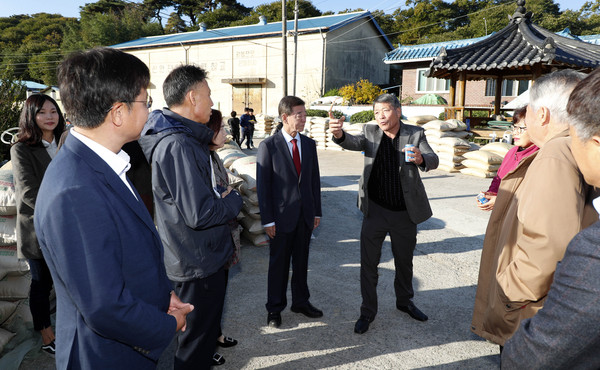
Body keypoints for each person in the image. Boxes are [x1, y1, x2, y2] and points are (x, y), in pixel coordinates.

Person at [33, 47, 193, 369]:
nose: (150, 111)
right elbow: (105, 307)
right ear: (118, 112)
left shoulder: (101, 164)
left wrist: (163, 298)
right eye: (145, 102)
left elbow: (126, 260)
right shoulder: (76, 191)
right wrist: (168, 324)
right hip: (104, 355)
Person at [470, 69, 598, 349]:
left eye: (527, 110)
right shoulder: (573, 147)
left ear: (541, 114)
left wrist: (510, 292)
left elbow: (549, 241)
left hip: (529, 308)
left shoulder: (554, 153)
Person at [138, 65, 243, 370]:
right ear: (192, 97)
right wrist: (234, 198)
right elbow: (200, 213)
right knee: (195, 344)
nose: (211, 104)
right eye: (208, 96)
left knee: (202, 336)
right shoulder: (178, 144)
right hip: (196, 261)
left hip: (199, 255)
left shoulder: (185, 140)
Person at [329, 93, 439, 334]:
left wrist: (421, 159)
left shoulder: (415, 134)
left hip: (404, 213)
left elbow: (433, 159)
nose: (380, 116)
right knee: (368, 264)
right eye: (377, 112)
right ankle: (367, 311)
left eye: (385, 111)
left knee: (404, 261)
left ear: (398, 112)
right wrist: (339, 134)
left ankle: (405, 301)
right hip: (375, 211)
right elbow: (353, 142)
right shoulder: (370, 132)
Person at [256, 96, 323, 329]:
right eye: (299, 115)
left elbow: (314, 181)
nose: (304, 119)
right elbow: (263, 188)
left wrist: (317, 212)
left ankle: (301, 302)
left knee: (302, 262)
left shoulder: (308, 144)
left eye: (305, 114)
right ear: (285, 117)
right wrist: (268, 220)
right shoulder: (268, 146)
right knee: (279, 266)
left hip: (305, 216)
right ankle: (274, 309)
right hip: (281, 218)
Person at [11, 94, 65, 356]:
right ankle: (46, 336)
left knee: (68, 282)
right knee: (41, 283)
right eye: (42, 112)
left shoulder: (66, 143)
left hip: (69, 227)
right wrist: (64, 209)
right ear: (31, 116)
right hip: (38, 227)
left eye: (53, 111)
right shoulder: (21, 149)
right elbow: (28, 193)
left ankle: (68, 328)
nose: (50, 116)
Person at [206, 109, 241, 366]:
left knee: (220, 293)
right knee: (205, 300)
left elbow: (225, 188)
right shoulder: (200, 158)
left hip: (224, 235)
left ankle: (216, 334)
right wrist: (229, 193)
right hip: (210, 240)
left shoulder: (215, 157)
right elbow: (217, 195)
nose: (226, 133)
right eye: (221, 129)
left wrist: (229, 191)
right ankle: (205, 347)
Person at [476, 106, 539, 211]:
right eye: (514, 127)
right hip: (503, 211)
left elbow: (531, 194)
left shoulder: (538, 155)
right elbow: (498, 180)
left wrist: (500, 200)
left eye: (521, 128)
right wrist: (490, 194)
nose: (515, 132)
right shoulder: (512, 152)